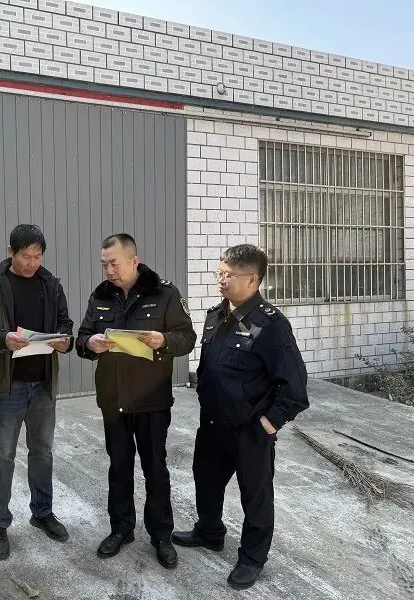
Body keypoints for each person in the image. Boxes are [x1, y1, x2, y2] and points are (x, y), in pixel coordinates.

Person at [172, 244, 309, 589]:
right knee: (206, 481)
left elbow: (294, 387)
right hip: (213, 424)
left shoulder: (271, 324)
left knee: (255, 497)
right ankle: (209, 532)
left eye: (229, 275)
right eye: (219, 273)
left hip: (250, 430)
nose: (221, 280)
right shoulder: (216, 315)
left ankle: (252, 558)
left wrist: (269, 423)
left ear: (253, 280)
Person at [75, 233, 196, 569]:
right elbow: (81, 339)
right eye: (104, 265)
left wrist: (163, 340)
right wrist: (91, 344)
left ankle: (161, 536)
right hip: (113, 399)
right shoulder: (100, 296)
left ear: (134, 261)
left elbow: (187, 337)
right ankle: (121, 529)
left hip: (151, 401)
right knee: (119, 467)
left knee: (155, 469)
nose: (108, 271)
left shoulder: (164, 293)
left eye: (114, 264)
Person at [0, 224, 74, 560]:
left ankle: (42, 512)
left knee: (42, 451)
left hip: (43, 382)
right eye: (25, 256)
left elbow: (65, 323)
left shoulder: (51, 284)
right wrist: (3, 338)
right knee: (3, 455)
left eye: (37, 256)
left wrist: (64, 340)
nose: (31, 263)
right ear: (10, 251)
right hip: (9, 384)